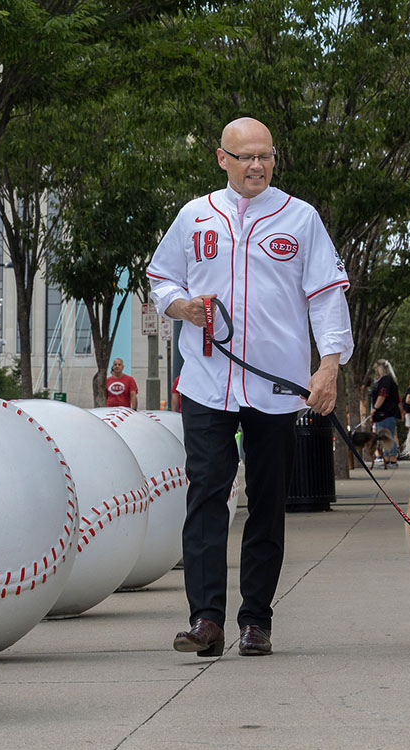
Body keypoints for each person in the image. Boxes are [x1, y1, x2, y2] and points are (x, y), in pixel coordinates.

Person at [147, 117, 352, 659]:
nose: (257, 165)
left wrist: (328, 367)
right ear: (222, 159)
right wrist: (181, 305)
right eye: (246, 157)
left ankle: (256, 620)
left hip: (277, 389)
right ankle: (206, 619)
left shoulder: (301, 218)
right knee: (207, 496)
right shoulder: (195, 216)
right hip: (208, 382)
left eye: (266, 155)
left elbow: (328, 297)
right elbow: (161, 278)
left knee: (266, 501)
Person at [369, 359, 400, 468]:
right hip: (382, 415)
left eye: (376, 368)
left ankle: (392, 459)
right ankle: (387, 459)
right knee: (384, 437)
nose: (375, 371)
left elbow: (382, 395)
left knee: (387, 436)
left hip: (385, 413)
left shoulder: (386, 380)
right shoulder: (385, 380)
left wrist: (375, 408)